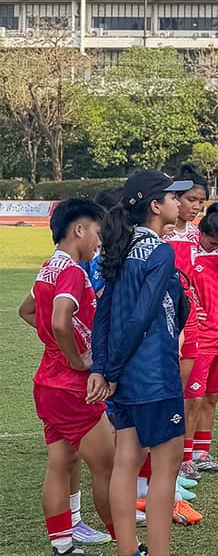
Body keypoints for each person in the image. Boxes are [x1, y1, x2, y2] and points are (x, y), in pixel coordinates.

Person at [89, 170, 194, 556]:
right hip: (154, 376)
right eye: (171, 197)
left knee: (125, 463)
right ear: (154, 206)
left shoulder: (120, 246)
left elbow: (104, 312)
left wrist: (104, 368)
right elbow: (141, 316)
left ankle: (128, 550)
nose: (177, 203)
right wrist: (109, 370)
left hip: (128, 377)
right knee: (165, 471)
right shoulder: (160, 252)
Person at [20, 198, 116, 556]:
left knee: (60, 465)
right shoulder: (73, 271)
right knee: (109, 467)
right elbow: (61, 319)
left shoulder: (48, 267)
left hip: (47, 383)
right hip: (73, 387)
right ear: (79, 230)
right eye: (97, 233)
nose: (99, 242)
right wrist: (76, 359)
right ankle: (128, 543)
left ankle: (62, 547)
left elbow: (26, 310)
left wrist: (56, 346)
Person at [163, 165, 207, 498]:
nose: (196, 207)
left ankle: (175, 468)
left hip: (190, 321)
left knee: (184, 395)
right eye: (191, 200)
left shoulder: (194, 235)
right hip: (168, 321)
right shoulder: (161, 234)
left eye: (201, 202)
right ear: (173, 199)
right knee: (168, 394)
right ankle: (160, 472)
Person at [186, 204, 218, 474]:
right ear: (202, 233)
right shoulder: (189, 256)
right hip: (200, 339)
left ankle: (202, 452)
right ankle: (185, 458)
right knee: (193, 399)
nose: (216, 245)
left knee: (212, 398)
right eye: (213, 240)